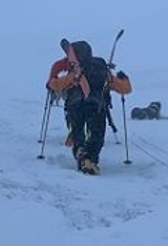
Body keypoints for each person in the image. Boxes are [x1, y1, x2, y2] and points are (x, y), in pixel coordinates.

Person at [48, 40, 132, 175]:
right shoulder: (102, 71)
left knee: (77, 132)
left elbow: (56, 85)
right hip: (97, 106)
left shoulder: (75, 73)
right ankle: (90, 158)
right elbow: (125, 89)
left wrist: (52, 81)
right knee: (96, 134)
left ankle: (80, 151)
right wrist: (124, 78)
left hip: (74, 105)